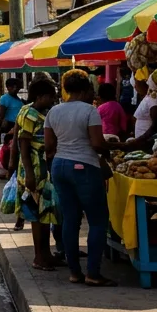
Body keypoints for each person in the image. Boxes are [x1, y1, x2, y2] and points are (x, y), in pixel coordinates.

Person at [46, 71, 114, 286]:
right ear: (85, 90)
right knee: (97, 221)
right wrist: (113, 148)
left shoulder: (54, 111)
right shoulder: (89, 111)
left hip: (59, 165)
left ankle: (75, 272)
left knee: (70, 219)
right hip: (84, 166)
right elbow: (97, 144)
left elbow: (49, 146)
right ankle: (93, 272)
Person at [15, 78, 59, 271]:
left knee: (45, 213)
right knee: (37, 214)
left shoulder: (36, 111)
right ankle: (39, 257)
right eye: (51, 96)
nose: (53, 100)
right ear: (40, 97)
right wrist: (30, 174)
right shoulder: (30, 114)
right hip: (34, 167)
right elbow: (23, 144)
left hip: (44, 167)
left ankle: (46, 254)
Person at [120, 77, 157, 152]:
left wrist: (140, 139)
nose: (135, 86)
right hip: (147, 139)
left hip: (152, 140)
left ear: (144, 83)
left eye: (136, 83)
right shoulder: (147, 97)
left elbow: (156, 124)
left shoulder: (154, 97)